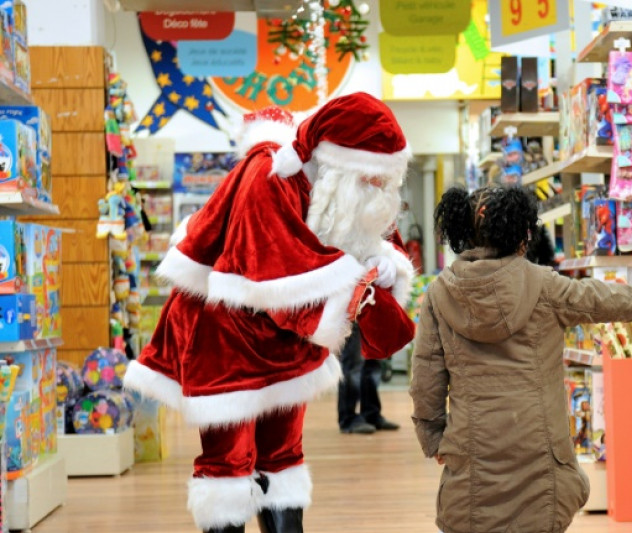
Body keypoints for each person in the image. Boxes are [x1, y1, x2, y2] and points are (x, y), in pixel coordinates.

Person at [123, 94, 416, 533]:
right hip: (224, 335)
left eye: (384, 179)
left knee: (282, 456)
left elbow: (365, 240)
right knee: (229, 461)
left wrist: (385, 264)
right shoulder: (267, 172)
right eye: (370, 176)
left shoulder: (342, 188)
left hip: (287, 342)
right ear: (339, 159)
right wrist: (351, 286)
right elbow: (268, 273)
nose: (377, 188)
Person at [409, 186, 632, 533]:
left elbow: (426, 376)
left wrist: (432, 436)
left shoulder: (439, 293)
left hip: (473, 447)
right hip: (538, 448)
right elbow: (602, 299)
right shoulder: (544, 285)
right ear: (519, 232)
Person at [337, 328, 400, 434]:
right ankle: (348, 419)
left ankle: (371, 414)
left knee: (373, 363)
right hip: (353, 319)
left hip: (374, 319)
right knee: (353, 364)